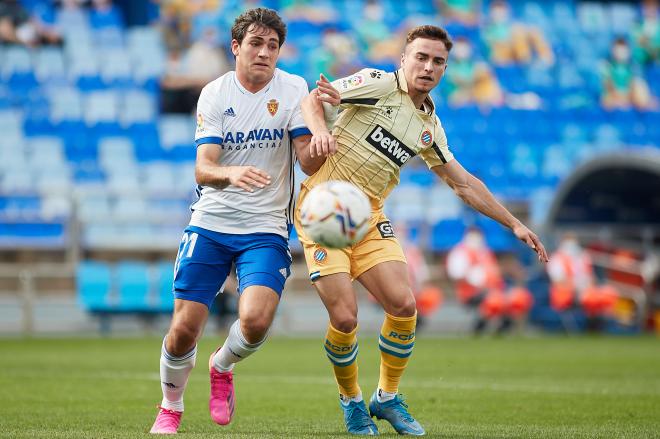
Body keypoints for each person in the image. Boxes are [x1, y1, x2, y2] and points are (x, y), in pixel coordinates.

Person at [296, 24, 548, 436]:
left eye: (438, 61)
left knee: (404, 306)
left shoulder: (429, 126)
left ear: (445, 69)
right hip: (324, 207)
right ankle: (352, 401)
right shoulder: (376, 83)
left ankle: (386, 397)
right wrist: (321, 131)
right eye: (421, 57)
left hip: (369, 215)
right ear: (404, 59)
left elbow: (463, 182)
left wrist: (514, 223)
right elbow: (314, 98)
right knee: (345, 317)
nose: (428, 67)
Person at [149, 8, 319, 434]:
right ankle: (171, 406)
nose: (264, 52)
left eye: (273, 45)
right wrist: (231, 173)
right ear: (236, 47)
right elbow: (203, 169)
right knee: (183, 329)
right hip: (211, 223)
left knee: (257, 321)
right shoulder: (214, 93)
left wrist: (324, 138)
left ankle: (221, 366)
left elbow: (309, 163)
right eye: (256, 43)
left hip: (264, 228)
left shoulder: (294, 87)